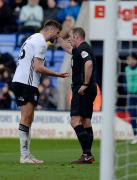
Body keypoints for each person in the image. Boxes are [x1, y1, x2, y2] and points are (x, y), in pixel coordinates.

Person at [11, 19, 69, 164]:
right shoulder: (42, 42)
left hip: (22, 81)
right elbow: (38, 67)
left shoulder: (32, 37)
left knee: (29, 118)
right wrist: (58, 74)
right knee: (26, 117)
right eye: (56, 33)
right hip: (26, 83)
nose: (56, 37)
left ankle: (27, 154)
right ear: (50, 29)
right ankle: (24, 156)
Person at [58, 27, 97, 164]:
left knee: (75, 120)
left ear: (76, 37)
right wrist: (58, 36)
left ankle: (87, 154)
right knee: (86, 121)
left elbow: (89, 63)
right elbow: (68, 48)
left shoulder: (83, 49)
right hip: (89, 88)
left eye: (71, 37)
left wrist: (85, 84)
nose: (69, 40)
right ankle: (87, 155)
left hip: (83, 88)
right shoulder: (79, 50)